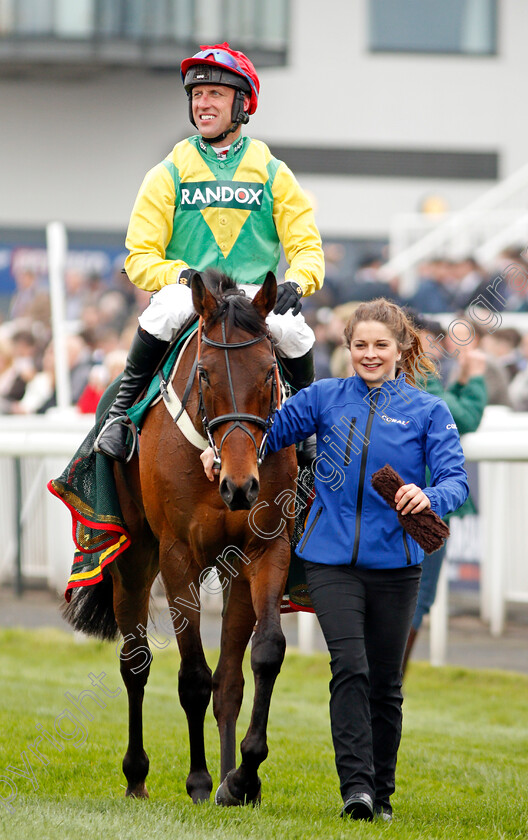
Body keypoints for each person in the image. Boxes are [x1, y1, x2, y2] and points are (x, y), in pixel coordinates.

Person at [202, 298, 469, 821]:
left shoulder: (429, 411)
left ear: (401, 349)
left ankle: (382, 794)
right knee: (350, 666)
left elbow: (455, 479)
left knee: (386, 682)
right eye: (361, 345)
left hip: (398, 565)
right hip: (329, 561)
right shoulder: (323, 397)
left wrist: (429, 497)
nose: (370, 354)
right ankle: (357, 792)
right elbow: (261, 434)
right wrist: (220, 450)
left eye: (380, 346)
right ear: (347, 349)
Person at [95, 42, 324, 461]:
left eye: (215, 93)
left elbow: (307, 246)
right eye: (197, 95)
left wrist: (297, 281)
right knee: (166, 311)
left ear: (242, 103)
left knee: (294, 332)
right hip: (194, 292)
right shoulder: (168, 171)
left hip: (254, 295)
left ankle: (307, 430)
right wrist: (179, 276)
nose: (203, 102)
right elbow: (139, 257)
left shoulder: (274, 172)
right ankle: (120, 416)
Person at [402, 316, 488, 671]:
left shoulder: (406, 375)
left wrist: (465, 381)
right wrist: (477, 379)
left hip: (405, 497)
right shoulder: (418, 374)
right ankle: (389, 687)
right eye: (431, 341)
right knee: (417, 599)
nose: (436, 350)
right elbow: (463, 416)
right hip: (423, 504)